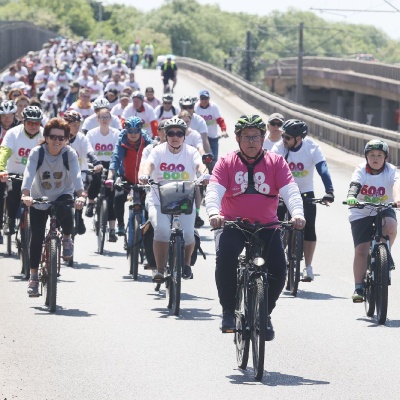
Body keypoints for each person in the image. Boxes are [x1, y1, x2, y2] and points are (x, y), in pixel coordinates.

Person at [205, 114, 305, 336]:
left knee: (279, 269)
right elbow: (213, 191)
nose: (251, 141)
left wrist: (297, 213)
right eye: (246, 137)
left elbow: (290, 190)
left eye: (256, 137)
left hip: (267, 225)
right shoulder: (226, 162)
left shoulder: (276, 162)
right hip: (233, 224)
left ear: (263, 138)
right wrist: (213, 213)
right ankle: (229, 311)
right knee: (226, 259)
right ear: (238, 139)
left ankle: (264, 314)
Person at [19, 118, 85, 297]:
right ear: (46, 137)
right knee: (37, 236)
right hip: (39, 197)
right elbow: (28, 173)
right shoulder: (37, 153)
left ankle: (66, 237)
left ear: (66, 139)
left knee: (67, 209)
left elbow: (76, 175)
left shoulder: (68, 153)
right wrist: (25, 194)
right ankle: (33, 277)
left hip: (62, 193)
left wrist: (80, 195)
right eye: (53, 137)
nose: (57, 141)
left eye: (61, 138)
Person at [139, 117, 207, 281]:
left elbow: (200, 165)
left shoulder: (191, 151)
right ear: (165, 135)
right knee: (161, 229)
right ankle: (160, 270)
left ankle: (186, 264)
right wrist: (145, 175)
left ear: (184, 135)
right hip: (158, 199)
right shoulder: (158, 151)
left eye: (179, 133)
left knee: (189, 233)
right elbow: (149, 164)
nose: (175, 136)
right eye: (171, 133)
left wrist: (205, 174)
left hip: (184, 199)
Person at [271, 119, 335, 282]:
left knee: (309, 228)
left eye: (287, 137)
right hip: (282, 192)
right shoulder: (279, 147)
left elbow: (323, 169)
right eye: (283, 136)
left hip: (305, 193)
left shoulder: (312, 148)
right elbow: (270, 168)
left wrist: (329, 191)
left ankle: (308, 267)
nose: (283, 139)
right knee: (275, 226)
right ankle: (275, 257)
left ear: (298, 138)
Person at [345, 139, 400, 302]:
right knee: (361, 249)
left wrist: (397, 198)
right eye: (372, 155)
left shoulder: (391, 170)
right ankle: (359, 287)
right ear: (366, 157)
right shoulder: (361, 169)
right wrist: (351, 197)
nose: (375, 158)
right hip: (361, 210)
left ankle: (385, 255)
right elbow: (355, 184)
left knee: (390, 225)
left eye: (379, 155)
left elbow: (397, 184)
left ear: (386, 158)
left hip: (384, 207)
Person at [0, 106, 44, 238]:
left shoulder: (45, 135)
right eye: (30, 122)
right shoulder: (13, 133)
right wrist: (1, 169)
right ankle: (11, 220)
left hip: (37, 176)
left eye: (36, 123)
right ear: (23, 122)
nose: (33, 126)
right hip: (15, 173)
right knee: (13, 193)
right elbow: (4, 152)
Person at [107, 116, 153, 235]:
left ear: (140, 131)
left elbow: (155, 157)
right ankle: (121, 225)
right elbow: (115, 159)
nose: (133, 134)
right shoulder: (122, 140)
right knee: (118, 198)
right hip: (126, 178)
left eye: (136, 131)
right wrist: (110, 177)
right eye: (130, 131)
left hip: (144, 180)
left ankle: (148, 231)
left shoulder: (146, 141)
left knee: (149, 204)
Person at [63, 110, 103, 234]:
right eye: (74, 125)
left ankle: (78, 217)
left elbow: (89, 151)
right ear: (66, 124)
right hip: (62, 173)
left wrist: (96, 162)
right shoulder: (59, 137)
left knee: (78, 195)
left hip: (80, 172)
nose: (77, 127)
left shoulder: (81, 138)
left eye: (78, 125)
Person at [85, 107, 120, 241]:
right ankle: (91, 202)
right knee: (94, 181)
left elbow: (117, 151)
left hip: (111, 164)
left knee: (111, 197)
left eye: (107, 117)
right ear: (97, 119)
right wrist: (95, 163)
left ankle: (112, 230)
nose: (104, 120)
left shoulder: (116, 133)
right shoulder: (92, 134)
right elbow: (89, 151)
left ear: (110, 119)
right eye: (102, 117)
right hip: (96, 163)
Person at [194, 90, 228, 162]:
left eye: (206, 98)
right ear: (199, 99)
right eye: (202, 98)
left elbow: (220, 120)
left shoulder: (213, 107)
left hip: (213, 137)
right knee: (201, 157)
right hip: (201, 137)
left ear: (209, 98)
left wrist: (224, 131)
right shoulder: (196, 108)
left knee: (214, 159)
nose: (204, 100)